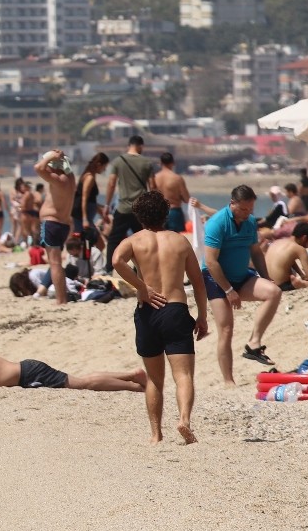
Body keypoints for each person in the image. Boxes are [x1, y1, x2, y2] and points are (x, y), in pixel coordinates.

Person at [111, 190, 209, 443]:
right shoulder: (179, 241)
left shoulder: (134, 241)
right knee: (183, 375)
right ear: (165, 214)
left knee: (155, 378)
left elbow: (116, 261)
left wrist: (142, 288)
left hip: (147, 312)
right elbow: (198, 283)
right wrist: (202, 316)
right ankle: (184, 420)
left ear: (139, 216)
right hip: (175, 310)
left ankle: (156, 434)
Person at [0, 321, 144, 392]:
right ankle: (133, 378)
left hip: (29, 372)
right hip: (23, 381)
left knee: (82, 383)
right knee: (81, 382)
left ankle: (134, 380)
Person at [202, 184, 281, 385]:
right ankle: (228, 380)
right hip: (216, 279)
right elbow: (211, 261)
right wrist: (228, 290)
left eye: (250, 209)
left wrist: (265, 276)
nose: (247, 213)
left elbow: (255, 252)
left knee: (273, 292)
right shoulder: (217, 223)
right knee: (226, 328)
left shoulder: (250, 222)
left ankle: (254, 343)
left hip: (241, 276)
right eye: (243, 209)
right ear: (232, 204)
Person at [103, 135, 157, 272]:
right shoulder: (147, 162)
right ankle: (141, 268)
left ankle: (109, 268)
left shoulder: (118, 162)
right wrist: (155, 205)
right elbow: (153, 185)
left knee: (114, 239)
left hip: (123, 208)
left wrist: (106, 205)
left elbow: (111, 184)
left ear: (129, 145)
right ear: (140, 146)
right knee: (143, 240)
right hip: (141, 209)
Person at [35, 150, 78, 305]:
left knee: (54, 263)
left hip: (52, 223)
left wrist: (50, 157)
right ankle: (62, 297)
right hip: (62, 224)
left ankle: (61, 299)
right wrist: (59, 159)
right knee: (57, 262)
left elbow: (38, 168)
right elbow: (46, 168)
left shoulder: (58, 180)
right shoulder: (70, 178)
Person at [266, 221, 308, 291]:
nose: (307, 246)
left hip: (268, 285)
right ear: (304, 238)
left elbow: (288, 260)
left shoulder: (277, 242)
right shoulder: (299, 249)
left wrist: (301, 274)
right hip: (282, 286)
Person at [74, 153, 109, 234]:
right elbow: (84, 198)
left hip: (86, 217)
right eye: (104, 167)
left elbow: (90, 200)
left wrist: (101, 210)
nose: (104, 170)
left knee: (91, 242)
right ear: (99, 164)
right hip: (81, 217)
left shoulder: (90, 175)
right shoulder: (89, 178)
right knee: (98, 243)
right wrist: (85, 219)